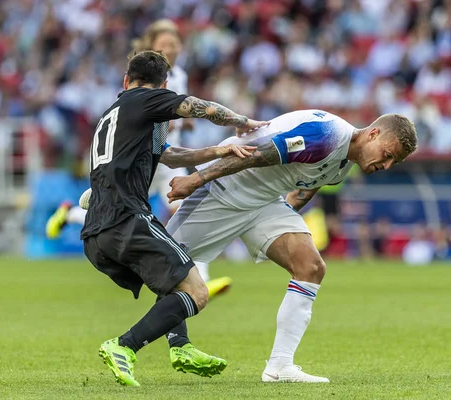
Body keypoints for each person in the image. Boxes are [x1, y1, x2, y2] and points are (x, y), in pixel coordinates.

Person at [165, 110, 418, 383]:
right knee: (160, 262)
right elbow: (255, 153)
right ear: (373, 134)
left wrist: (282, 232)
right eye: (388, 154)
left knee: (310, 266)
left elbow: (301, 192)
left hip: (264, 203)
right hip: (226, 190)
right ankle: (129, 343)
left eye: (395, 161)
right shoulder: (326, 136)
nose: (387, 165)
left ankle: (279, 366)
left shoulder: (345, 163)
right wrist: (195, 179)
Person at [83, 49, 268, 387]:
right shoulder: (145, 100)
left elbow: (167, 156)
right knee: (197, 292)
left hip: (97, 234)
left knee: (175, 281)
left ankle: (179, 345)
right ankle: (124, 345)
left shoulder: (115, 115)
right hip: (127, 219)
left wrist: (218, 150)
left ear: (125, 80)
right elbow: (204, 107)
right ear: (163, 86)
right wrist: (243, 123)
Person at [46, 19, 233, 298]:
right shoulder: (142, 81)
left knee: (180, 210)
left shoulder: (177, 75)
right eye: (163, 45)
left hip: (165, 152)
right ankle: (73, 214)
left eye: (174, 44)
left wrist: (188, 128)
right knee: (128, 212)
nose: (169, 49)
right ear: (151, 46)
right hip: (143, 156)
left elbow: (170, 117)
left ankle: (198, 278)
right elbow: (147, 112)